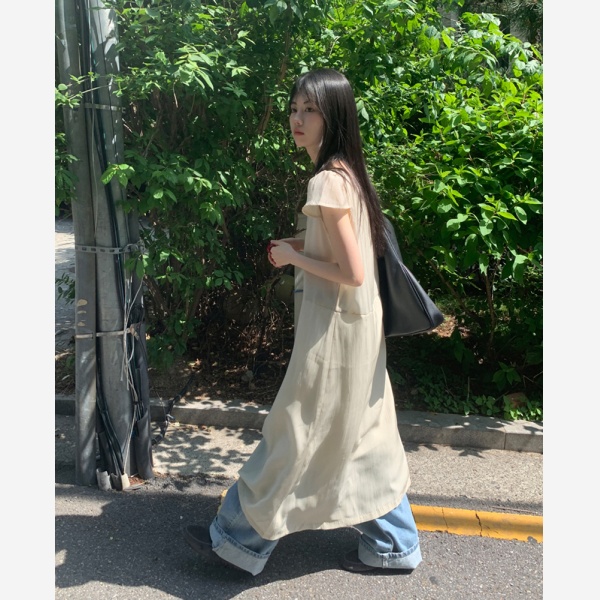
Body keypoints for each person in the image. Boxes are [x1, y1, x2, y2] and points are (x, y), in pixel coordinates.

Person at [184, 67, 422, 576]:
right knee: (361, 435)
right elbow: (346, 250)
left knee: (296, 432)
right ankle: (396, 545)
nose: (297, 118)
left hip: (334, 331)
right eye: (294, 108)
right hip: (357, 327)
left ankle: (237, 540)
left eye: (310, 110)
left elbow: (352, 272)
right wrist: (296, 246)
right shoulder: (348, 173)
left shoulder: (326, 181)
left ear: (333, 115)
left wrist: (293, 258)